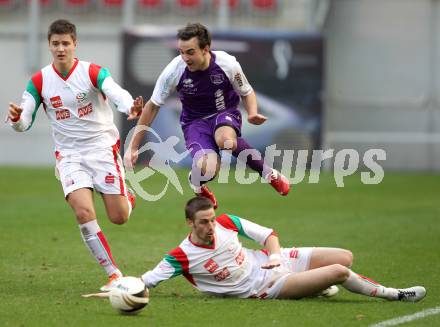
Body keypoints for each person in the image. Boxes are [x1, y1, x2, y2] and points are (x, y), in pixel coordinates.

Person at [7, 19, 143, 291]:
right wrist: (17, 120)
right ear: (49, 45)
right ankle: (113, 273)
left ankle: (127, 197)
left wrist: (130, 106)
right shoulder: (39, 81)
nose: (60, 49)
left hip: (102, 149)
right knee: (83, 212)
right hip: (69, 155)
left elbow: (114, 92)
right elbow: (24, 121)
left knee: (119, 217)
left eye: (65, 43)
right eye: (55, 44)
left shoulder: (92, 72)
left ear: (74, 44)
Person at [127, 22, 290, 209]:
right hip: (194, 123)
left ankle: (269, 174)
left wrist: (252, 113)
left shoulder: (227, 63)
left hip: (224, 112)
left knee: (227, 141)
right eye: (181, 51)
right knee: (209, 169)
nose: (184, 57)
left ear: (206, 49)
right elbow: (152, 106)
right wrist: (133, 146)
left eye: (190, 52)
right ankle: (197, 183)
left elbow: (246, 91)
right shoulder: (174, 70)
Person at [139, 196, 426, 301]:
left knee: (345, 256)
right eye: (203, 222)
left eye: (212, 219)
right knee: (340, 271)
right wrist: (120, 289)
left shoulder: (226, 222)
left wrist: (276, 258)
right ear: (190, 223)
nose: (211, 226)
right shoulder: (182, 256)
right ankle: (395, 294)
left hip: (271, 262)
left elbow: (269, 235)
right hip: (264, 287)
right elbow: (147, 280)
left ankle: (314, 286)